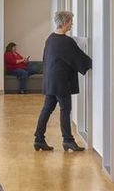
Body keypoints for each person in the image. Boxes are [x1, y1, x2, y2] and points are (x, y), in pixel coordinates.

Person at [34, 10, 92, 152]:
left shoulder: (50, 38)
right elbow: (79, 58)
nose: (71, 25)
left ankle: (39, 139)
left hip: (50, 81)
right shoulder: (66, 41)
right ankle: (68, 140)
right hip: (61, 82)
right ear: (65, 22)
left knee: (47, 109)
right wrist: (92, 62)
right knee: (65, 110)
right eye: (71, 22)